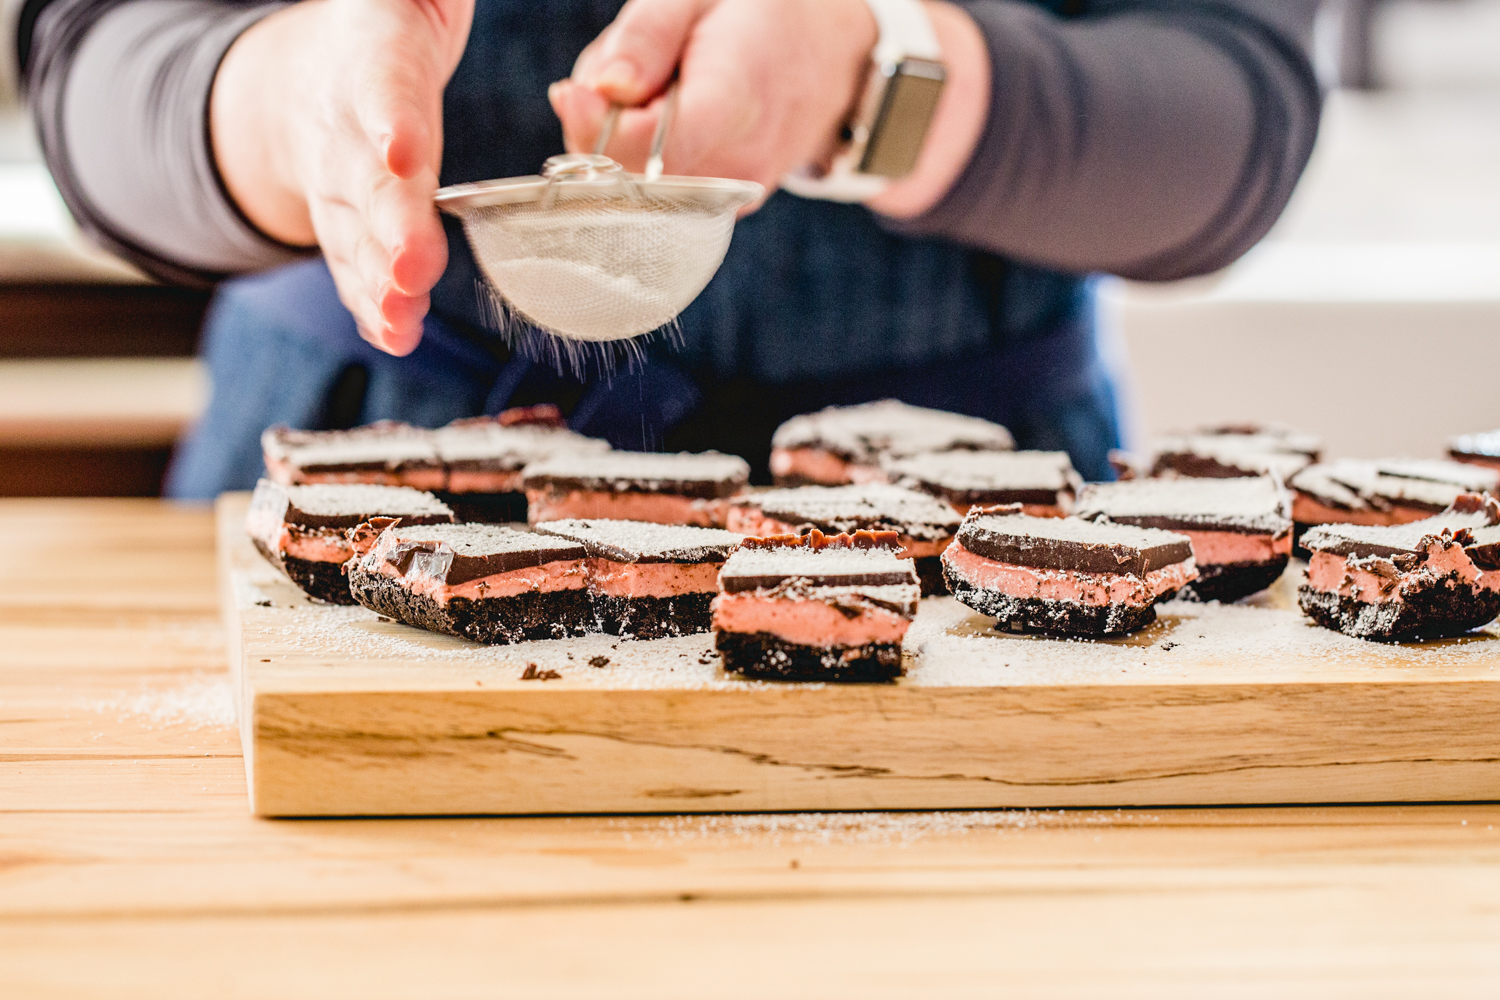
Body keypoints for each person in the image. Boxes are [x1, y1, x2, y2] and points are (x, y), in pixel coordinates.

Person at [17, 0, 1321, 493]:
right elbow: (94, 67)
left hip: (966, 509)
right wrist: (293, 100)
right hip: (382, 464)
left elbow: (1235, 107)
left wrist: (867, 79)